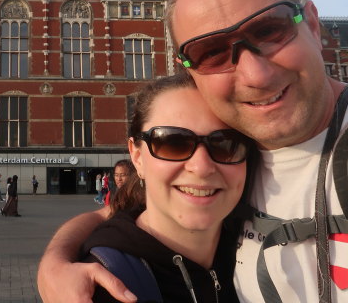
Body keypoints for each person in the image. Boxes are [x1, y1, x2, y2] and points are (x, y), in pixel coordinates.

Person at [37, 0, 348, 303]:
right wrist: (55, 262)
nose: (255, 75)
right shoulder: (237, 158)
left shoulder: (236, 153)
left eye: (270, 30)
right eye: (212, 53)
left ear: (313, 24)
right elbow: (116, 211)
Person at [81, 73, 254, 302]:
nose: (201, 167)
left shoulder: (263, 254)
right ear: (137, 156)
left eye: (225, 144)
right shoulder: (105, 287)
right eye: (173, 143)